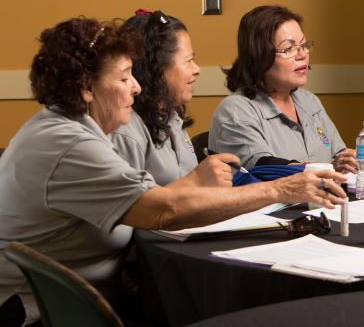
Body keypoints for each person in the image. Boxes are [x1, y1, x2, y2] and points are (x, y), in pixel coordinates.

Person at [0, 18, 345, 325]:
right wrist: (281, 190)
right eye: (123, 77)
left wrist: (194, 182)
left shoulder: (73, 130)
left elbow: (153, 199)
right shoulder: (71, 145)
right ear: (86, 88)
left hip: (83, 300)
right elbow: (163, 211)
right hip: (41, 313)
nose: (136, 86)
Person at [209, 5, 357, 173]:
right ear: (259, 56)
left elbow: (338, 156)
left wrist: (347, 162)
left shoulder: (309, 101)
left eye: (304, 44)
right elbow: (263, 168)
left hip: (319, 198)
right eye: (288, 48)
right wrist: (326, 169)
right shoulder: (236, 110)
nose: (302, 54)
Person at [110, 10, 210, 185]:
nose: (196, 69)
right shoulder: (126, 131)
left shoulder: (170, 116)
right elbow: (136, 207)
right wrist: (198, 182)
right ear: (157, 69)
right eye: (188, 61)